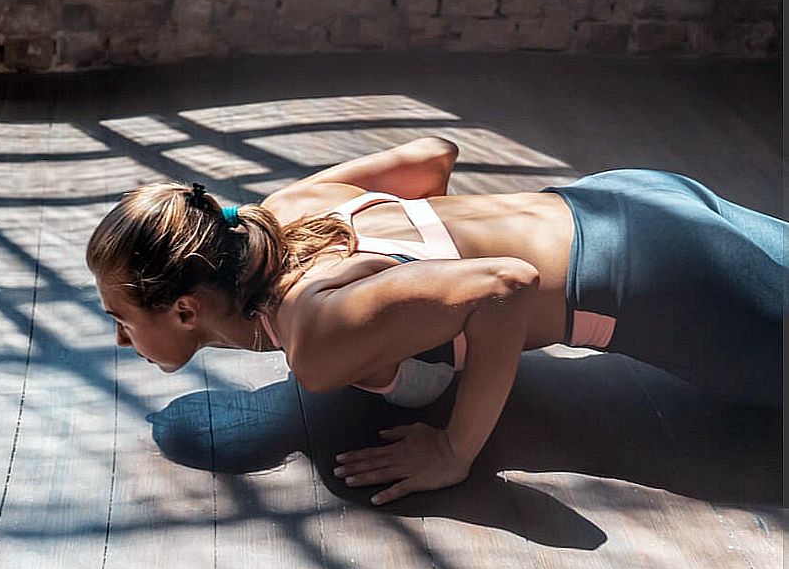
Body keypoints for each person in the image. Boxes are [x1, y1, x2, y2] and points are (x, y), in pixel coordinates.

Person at [87, 137, 785, 504]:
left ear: (184, 308)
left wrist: (456, 450)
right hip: (625, 197)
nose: (120, 335)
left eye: (119, 315)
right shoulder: (280, 211)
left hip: (665, 286)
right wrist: (424, 308)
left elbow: (506, 285)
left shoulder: (314, 334)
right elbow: (432, 154)